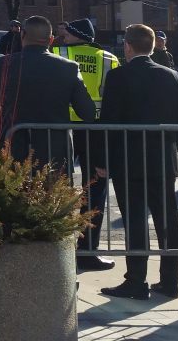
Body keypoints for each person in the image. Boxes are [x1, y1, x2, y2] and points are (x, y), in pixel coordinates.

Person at [95, 24, 178, 300]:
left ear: (128, 46)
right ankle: (170, 281)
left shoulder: (118, 76)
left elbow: (108, 121)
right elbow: (177, 120)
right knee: (167, 219)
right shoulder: (171, 75)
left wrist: (103, 160)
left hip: (128, 159)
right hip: (162, 157)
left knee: (135, 220)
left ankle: (136, 280)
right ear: (152, 45)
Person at [0, 15, 96, 169]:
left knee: (13, 191)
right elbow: (88, 112)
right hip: (55, 151)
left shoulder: (3, 64)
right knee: (53, 191)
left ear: (22, 35)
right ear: (51, 39)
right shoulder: (69, 68)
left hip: (12, 147)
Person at [54, 17, 120, 271]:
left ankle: (58, 247)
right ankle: (87, 250)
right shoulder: (108, 58)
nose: (64, 35)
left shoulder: (59, 52)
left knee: (56, 188)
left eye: (67, 31)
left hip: (62, 129)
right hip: (95, 130)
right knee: (94, 192)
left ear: (74, 33)